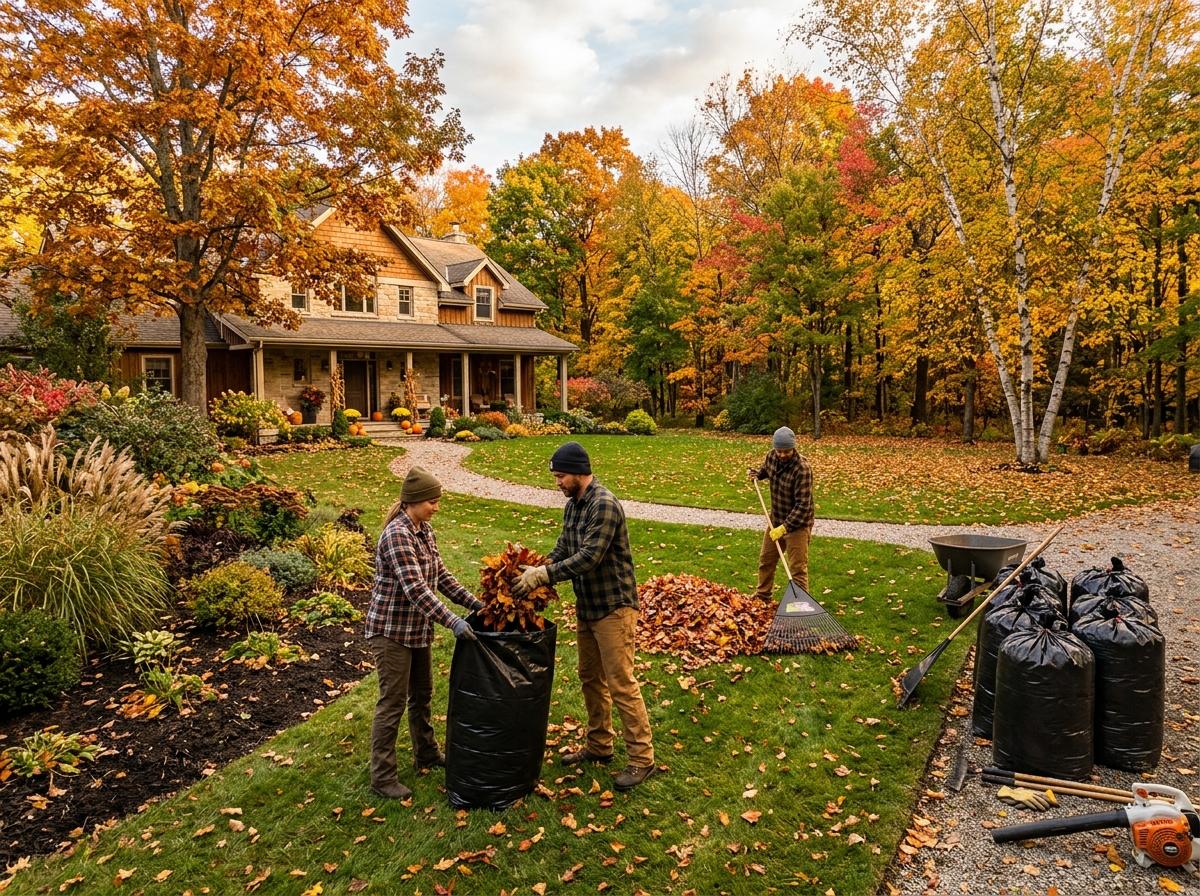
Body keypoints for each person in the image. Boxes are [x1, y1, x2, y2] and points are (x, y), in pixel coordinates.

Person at [513, 441, 656, 791]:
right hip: (588, 606)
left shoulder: (604, 505)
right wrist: (539, 567)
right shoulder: (573, 505)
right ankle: (599, 746)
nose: (557, 482)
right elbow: (565, 548)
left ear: (578, 472)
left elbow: (590, 556)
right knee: (590, 677)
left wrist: (545, 576)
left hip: (614, 608)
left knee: (620, 682)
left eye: (560, 476)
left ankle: (642, 759)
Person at [365, 466, 482, 800]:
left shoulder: (423, 530)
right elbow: (416, 589)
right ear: (413, 501)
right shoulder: (397, 535)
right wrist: (454, 622)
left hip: (416, 629)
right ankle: (383, 776)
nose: (436, 506)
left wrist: (474, 605)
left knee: (422, 694)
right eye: (432, 501)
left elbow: (440, 576)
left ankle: (426, 753)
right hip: (391, 631)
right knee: (392, 703)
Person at [748, 426, 814, 597]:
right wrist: (757, 474)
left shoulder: (802, 468)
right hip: (775, 519)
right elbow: (766, 471)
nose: (783, 455)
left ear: (794, 447)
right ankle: (763, 595)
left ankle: (800, 606)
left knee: (797, 569)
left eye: (787, 451)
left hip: (798, 525)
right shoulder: (771, 456)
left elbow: (803, 506)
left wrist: (784, 528)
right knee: (766, 560)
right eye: (780, 451)